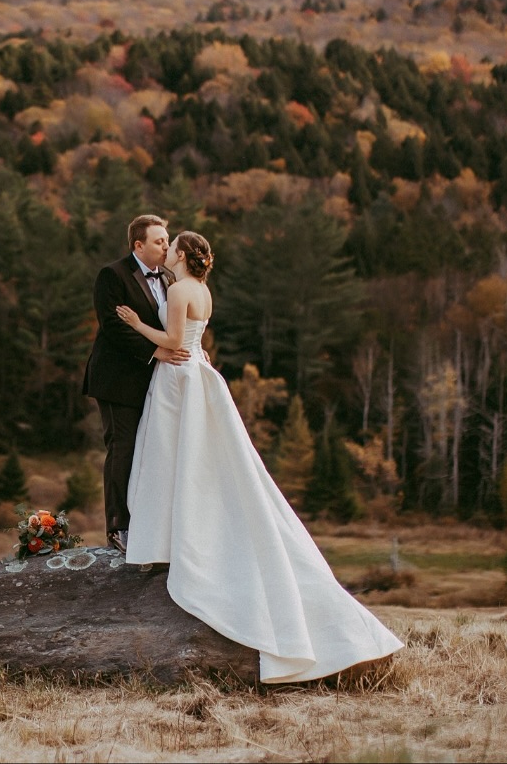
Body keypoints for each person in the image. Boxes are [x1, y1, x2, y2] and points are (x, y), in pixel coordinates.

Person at [116, 231, 402, 683]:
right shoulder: (203, 292)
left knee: (171, 458)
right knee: (196, 462)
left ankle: (168, 537)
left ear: (186, 257)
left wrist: (134, 323)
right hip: (197, 374)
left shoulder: (178, 289)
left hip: (177, 380)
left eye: (173, 248)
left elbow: (172, 341)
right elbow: (192, 338)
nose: (167, 251)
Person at [81, 214, 191, 554]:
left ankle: (149, 523)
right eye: (159, 241)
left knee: (150, 451)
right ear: (138, 245)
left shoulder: (170, 278)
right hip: (116, 379)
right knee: (122, 449)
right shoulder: (112, 275)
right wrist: (156, 351)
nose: (165, 246)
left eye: (166, 240)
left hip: (154, 383)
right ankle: (118, 528)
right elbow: (114, 328)